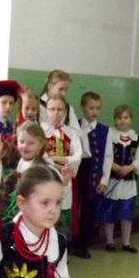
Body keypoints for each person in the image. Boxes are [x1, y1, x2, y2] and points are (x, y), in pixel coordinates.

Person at [97, 105, 139, 253]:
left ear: (131, 119)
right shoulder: (109, 135)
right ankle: (110, 241)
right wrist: (113, 166)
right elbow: (103, 155)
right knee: (109, 212)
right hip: (112, 181)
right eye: (119, 118)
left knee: (127, 214)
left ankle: (126, 242)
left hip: (128, 184)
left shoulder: (136, 139)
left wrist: (130, 167)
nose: (122, 121)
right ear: (115, 119)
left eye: (126, 117)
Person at [72, 92, 109, 259]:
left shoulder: (104, 130)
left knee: (89, 209)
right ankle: (71, 242)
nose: (95, 111)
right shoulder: (75, 126)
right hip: (77, 170)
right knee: (73, 207)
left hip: (93, 172)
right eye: (91, 108)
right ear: (83, 107)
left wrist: (104, 179)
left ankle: (83, 244)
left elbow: (108, 157)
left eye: (98, 108)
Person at [41, 95, 80, 234]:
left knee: (62, 216)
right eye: (52, 109)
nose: (56, 113)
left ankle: (62, 244)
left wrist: (56, 158)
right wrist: (58, 163)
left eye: (59, 109)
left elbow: (77, 157)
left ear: (65, 111)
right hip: (45, 179)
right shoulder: (40, 131)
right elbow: (40, 157)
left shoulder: (71, 133)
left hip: (65, 180)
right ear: (46, 111)